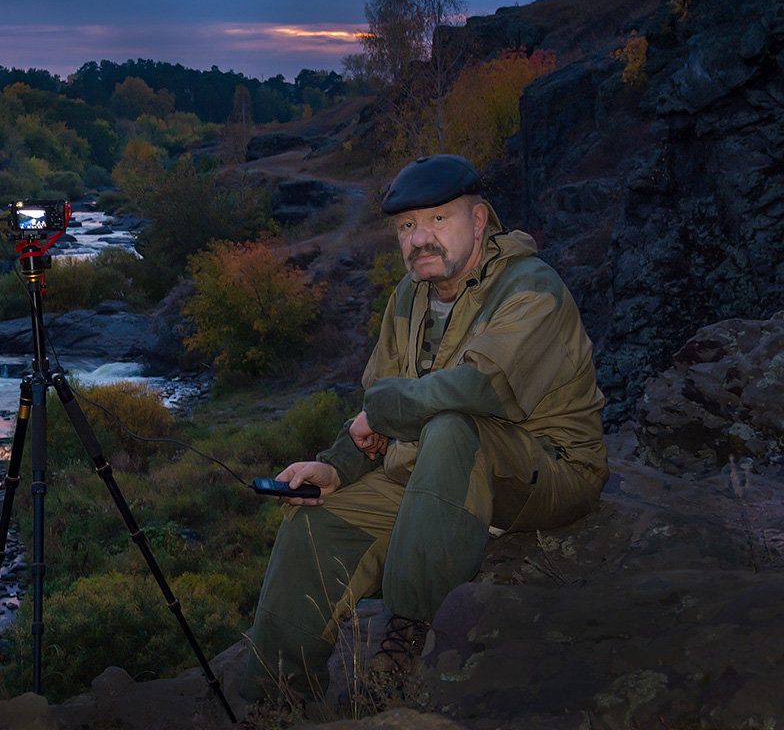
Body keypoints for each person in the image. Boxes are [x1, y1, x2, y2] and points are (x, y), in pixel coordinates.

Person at [239, 154, 608, 706]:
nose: (419, 239)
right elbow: (380, 412)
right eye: (407, 226)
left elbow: (479, 390)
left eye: (439, 219)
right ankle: (277, 692)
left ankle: (409, 636)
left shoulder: (533, 289)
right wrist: (337, 465)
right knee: (314, 522)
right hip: (432, 472)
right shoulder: (408, 298)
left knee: (455, 424)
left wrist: (381, 410)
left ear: (479, 220)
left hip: (549, 468)